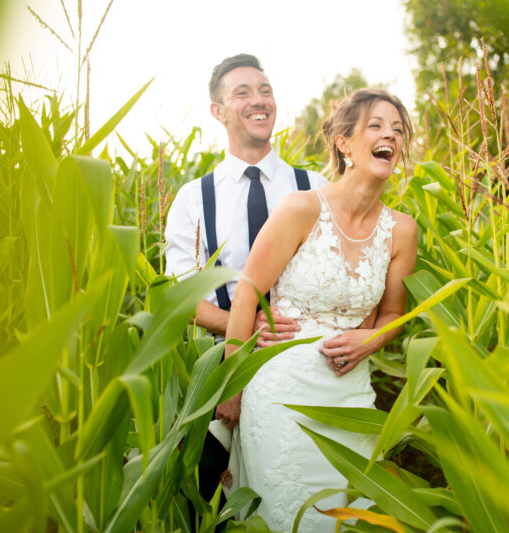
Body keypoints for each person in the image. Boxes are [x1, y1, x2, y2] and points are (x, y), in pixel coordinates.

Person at [216, 88, 418, 532]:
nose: (391, 135)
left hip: (350, 400)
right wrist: (231, 386)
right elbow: (248, 295)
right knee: (286, 516)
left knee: (349, 517)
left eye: (399, 130)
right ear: (345, 143)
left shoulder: (402, 232)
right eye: (377, 125)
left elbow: (392, 317)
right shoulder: (302, 208)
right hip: (280, 397)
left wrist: (374, 338)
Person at [163, 54, 326, 505]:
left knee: (296, 495)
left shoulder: (313, 185)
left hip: (301, 364)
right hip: (221, 370)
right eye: (243, 93)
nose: (260, 101)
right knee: (216, 499)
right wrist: (243, 329)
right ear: (217, 111)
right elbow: (181, 298)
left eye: (266, 90)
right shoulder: (193, 198)